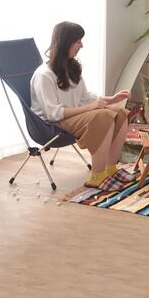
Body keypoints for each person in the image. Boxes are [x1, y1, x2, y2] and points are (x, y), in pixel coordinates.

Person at [30, 21, 131, 190]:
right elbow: (52, 113)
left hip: (73, 115)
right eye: (78, 41)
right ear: (65, 43)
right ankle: (96, 176)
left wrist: (111, 99)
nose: (81, 45)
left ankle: (111, 169)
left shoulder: (71, 67)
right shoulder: (44, 75)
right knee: (104, 116)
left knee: (121, 112)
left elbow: (85, 97)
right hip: (53, 123)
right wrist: (92, 107)